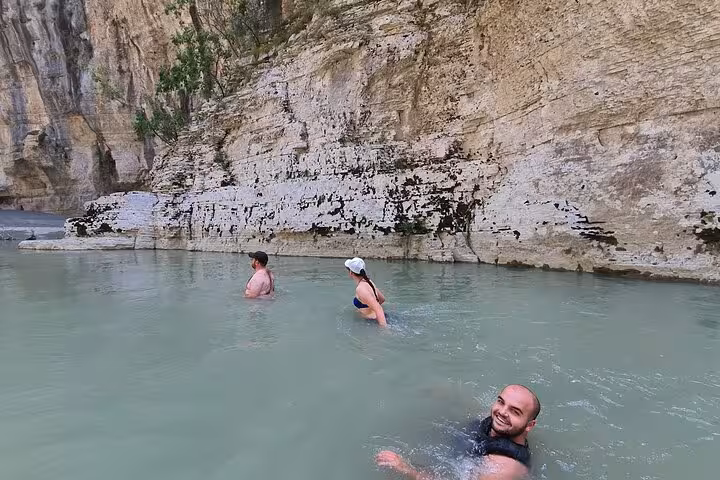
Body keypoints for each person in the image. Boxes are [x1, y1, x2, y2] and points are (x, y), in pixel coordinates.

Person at [375, 385, 540, 480]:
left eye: (515, 411)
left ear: (529, 425)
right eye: (500, 402)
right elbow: (476, 410)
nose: (502, 412)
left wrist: (406, 468)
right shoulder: (498, 422)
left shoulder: (501, 469)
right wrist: (451, 396)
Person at [344, 257, 387, 327]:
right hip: (377, 318)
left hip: (373, 322)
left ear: (351, 273)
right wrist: (368, 309)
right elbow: (382, 299)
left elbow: (378, 308)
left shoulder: (360, 289)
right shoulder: (369, 281)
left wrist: (384, 330)